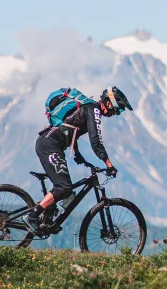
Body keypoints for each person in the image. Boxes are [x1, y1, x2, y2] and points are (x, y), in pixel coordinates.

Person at [23, 86, 133, 232]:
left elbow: (72, 131)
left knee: (66, 190)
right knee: (63, 187)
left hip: (50, 144)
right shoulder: (93, 109)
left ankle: (47, 219)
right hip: (49, 145)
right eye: (118, 109)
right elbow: (96, 141)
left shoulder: (87, 108)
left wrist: (78, 155)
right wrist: (109, 164)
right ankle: (32, 216)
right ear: (109, 103)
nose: (116, 114)